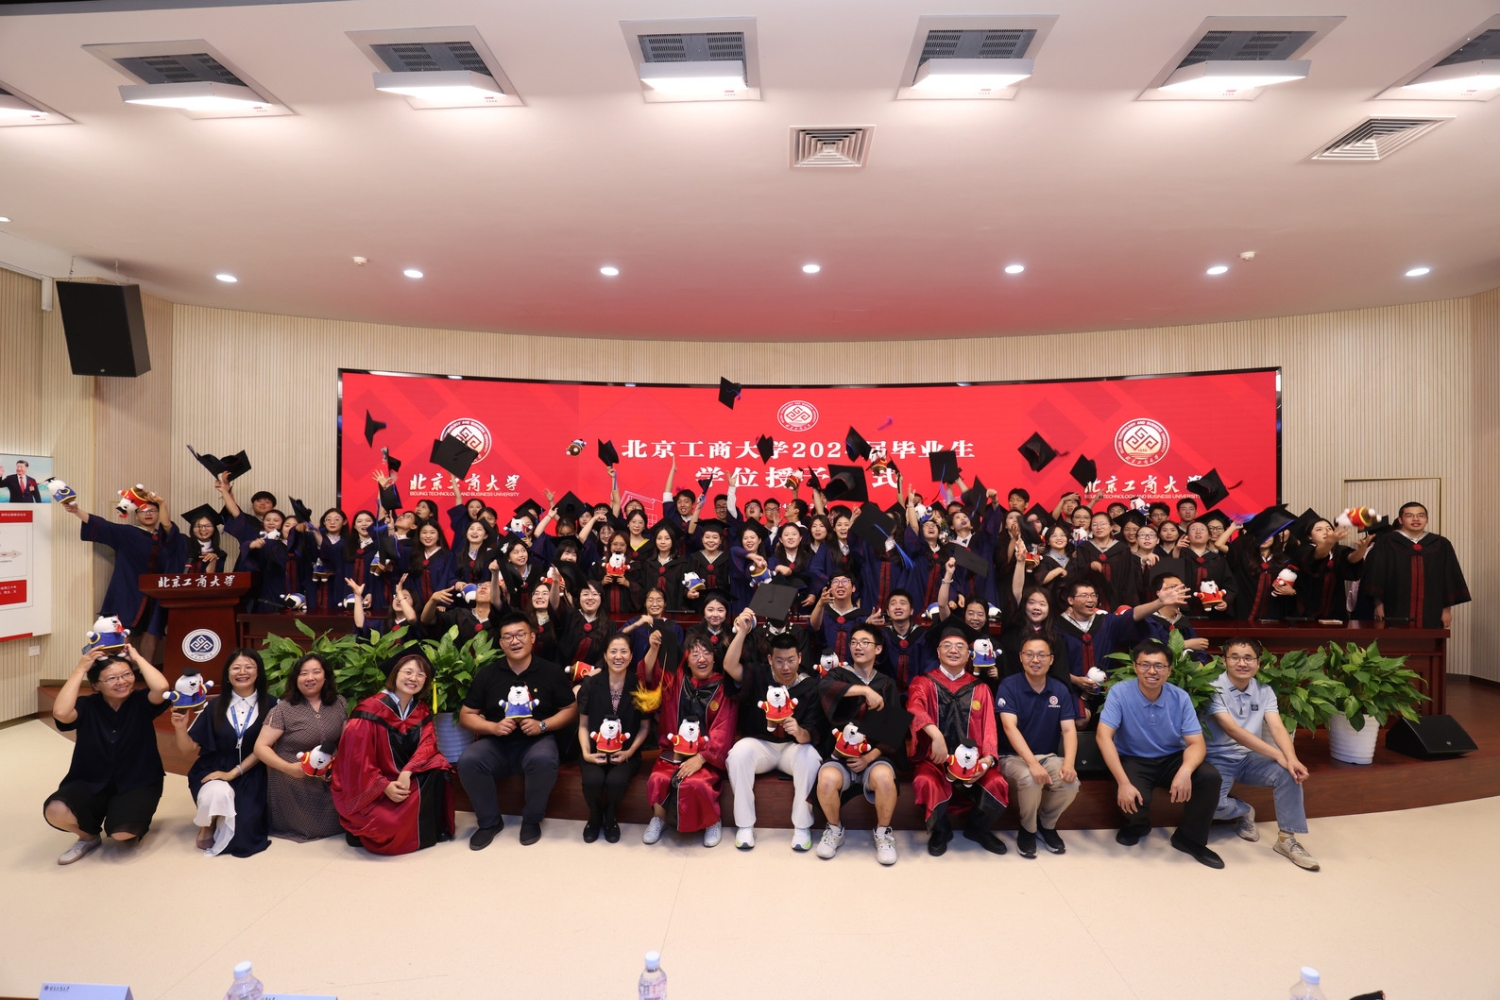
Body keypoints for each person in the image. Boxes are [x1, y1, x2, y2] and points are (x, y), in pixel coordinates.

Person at [1095, 639, 1224, 868]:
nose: (1152, 671)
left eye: (1159, 666)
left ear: (1169, 670)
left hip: (1171, 757)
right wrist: (1123, 783)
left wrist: (1185, 771)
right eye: (1145, 664)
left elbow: (1196, 743)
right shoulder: (1119, 693)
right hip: (1133, 758)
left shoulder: (1180, 697)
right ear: (1135, 667)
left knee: (1209, 777)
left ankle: (1189, 839)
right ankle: (1138, 826)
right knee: (1135, 801)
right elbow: (1103, 737)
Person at [457, 611, 577, 848]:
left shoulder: (550, 671)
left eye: (520, 634)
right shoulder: (488, 674)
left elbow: (570, 709)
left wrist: (543, 725)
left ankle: (531, 819)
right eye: (508, 637)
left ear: (532, 637)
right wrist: (493, 727)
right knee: (469, 760)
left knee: (543, 758)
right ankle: (489, 822)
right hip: (497, 743)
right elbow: (466, 715)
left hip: (537, 741)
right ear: (501, 643)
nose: (515, 641)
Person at [44, 645, 171, 865]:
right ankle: (88, 837)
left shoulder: (141, 701)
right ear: (96, 685)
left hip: (138, 780)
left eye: (127, 675)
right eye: (112, 678)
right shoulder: (87, 706)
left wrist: (137, 657)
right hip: (91, 780)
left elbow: (161, 687)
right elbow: (61, 713)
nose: (121, 682)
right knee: (56, 810)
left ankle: (122, 816)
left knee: (122, 835)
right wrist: (80, 669)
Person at [1204, 638, 1320, 871]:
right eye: (1235, 657)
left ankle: (1287, 840)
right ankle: (1244, 811)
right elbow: (1233, 730)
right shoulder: (1212, 688)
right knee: (1212, 805)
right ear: (1224, 661)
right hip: (1218, 758)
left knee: (1288, 772)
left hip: (1249, 757)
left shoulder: (1265, 691)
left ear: (1258, 663)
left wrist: (1291, 758)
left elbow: (1276, 727)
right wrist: (1277, 754)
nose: (1242, 663)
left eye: (1248, 658)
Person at [332, 653, 454, 855]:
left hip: (404, 777)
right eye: (408, 672)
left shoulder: (420, 710)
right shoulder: (369, 710)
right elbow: (356, 760)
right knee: (388, 827)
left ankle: (430, 827)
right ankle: (359, 830)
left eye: (420, 674)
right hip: (372, 782)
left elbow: (428, 744)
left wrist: (407, 771)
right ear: (395, 673)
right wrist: (384, 786)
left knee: (438, 764)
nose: (413, 678)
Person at [723, 610, 824, 851]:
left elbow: (813, 732)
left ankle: (802, 827)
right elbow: (729, 666)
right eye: (779, 661)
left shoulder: (810, 685)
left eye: (791, 660)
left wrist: (799, 731)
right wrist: (742, 632)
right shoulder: (758, 674)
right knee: (738, 754)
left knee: (811, 757)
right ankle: (745, 826)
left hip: (793, 748)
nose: (785, 667)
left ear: (800, 657)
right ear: (770, 659)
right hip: (762, 746)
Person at [906, 626, 1010, 857]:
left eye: (960, 646)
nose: (953, 651)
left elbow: (989, 728)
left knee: (997, 783)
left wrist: (987, 760)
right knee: (924, 781)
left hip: (973, 762)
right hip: (935, 760)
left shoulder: (980, 688)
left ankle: (978, 828)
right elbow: (914, 708)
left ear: (969, 654)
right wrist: (936, 736)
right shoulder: (923, 682)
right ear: (938, 651)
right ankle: (941, 830)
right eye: (947, 646)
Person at [814, 623, 906, 865]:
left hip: (873, 756)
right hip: (840, 756)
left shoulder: (886, 683)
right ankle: (835, 830)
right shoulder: (838, 674)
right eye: (854, 642)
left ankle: (883, 833)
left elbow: (894, 729)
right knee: (826, 780)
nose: (858, 647)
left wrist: (868, 758)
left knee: (885, 778)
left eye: (865, 642)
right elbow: (824, 687)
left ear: (878, 649)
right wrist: (864, 691)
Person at [170, 647, 274, 857]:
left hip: (250, 772)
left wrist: (233, 773)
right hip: (214, 768)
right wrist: (180, 728)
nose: (242, 672)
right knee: (217, 794)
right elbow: (188, 749)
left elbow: (266, 747)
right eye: (236, 668)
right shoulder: (214, 706)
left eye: (248, 667)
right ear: (227, 674)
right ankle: (208, 823)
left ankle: (223, 814)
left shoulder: (273, 705)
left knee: (243, 838)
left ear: (258, 672)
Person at [640, 629, 738, 848]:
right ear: (688, 660)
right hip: (674, 753)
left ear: (714, 657)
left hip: (707, 757)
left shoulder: (723, 688)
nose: (701, 659)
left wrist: (701, 758)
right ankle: (659, 818)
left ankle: (712, 821)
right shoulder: (676, 682)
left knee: (696, 783)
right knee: (658, 778)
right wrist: (654, 648)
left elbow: (724, 728)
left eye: (706, 653)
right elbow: (651, 677)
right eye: (695, 654)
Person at [64, 489, 180, 662]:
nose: (148, 514)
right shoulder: (127, 533)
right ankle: (122, 668)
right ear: (136, 515)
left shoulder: (165, 538)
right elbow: (102, 525)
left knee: (152, 632)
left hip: (156, 594)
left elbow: (169, 527)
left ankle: (146, 670)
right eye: (143, 511)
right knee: (126, 632)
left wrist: (162, 503)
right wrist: (76, 511)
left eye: (152, 510)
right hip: (129, 590)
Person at [996, 637, 1081, 858]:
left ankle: (1047, 824)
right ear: (1021, 657)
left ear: (1051, 660)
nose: (1035, 660)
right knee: (1030, 779)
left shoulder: (1060, 689)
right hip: (1011, 756)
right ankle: (1028, 829)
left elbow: (1069, 730)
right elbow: (1009, 727)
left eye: (1042, 655)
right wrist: (1032, 764)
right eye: (1030, 654)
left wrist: (1069, 763)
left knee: (1071, 783)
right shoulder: (1009, 686)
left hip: (1048, 756)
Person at [253, 653, 348, 842]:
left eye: (316, 672)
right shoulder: (283, 709)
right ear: (295, 679)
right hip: (293, 777)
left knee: (344, 823)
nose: (310, 678)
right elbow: (260, 747)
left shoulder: (339, 702)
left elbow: (346, 742)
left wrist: (336, 768)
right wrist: (290, 769)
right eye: (303, 673)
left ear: (325, 676)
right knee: (310, 828)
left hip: (330, 774)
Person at [576, 635, 652, 842]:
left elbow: (645, 727)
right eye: (613, 651)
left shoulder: (639, 685)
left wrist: (629, 752)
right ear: (605, 655)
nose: (618, 656)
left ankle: (610, 817)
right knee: (593, 780)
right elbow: (583, 725)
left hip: (627, 752)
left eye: (624, 651)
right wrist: (586, 753)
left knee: (616, 781)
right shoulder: (591, 683)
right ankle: (594, 817)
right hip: (594, 750)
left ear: (631, 656)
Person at [1363, 502, 1470, 630]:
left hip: (1432, 611)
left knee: (1429, 640)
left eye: (1421, 515)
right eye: (1409, 515)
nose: (1416, 519)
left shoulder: (1441, 544)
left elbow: (1449, 577)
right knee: (1395, 640)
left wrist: (1446, 610)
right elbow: (1377, 575)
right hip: (1394, 608)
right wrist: (1378, 605)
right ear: (1400, 520)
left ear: (1427, 519)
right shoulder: (1386, 542)